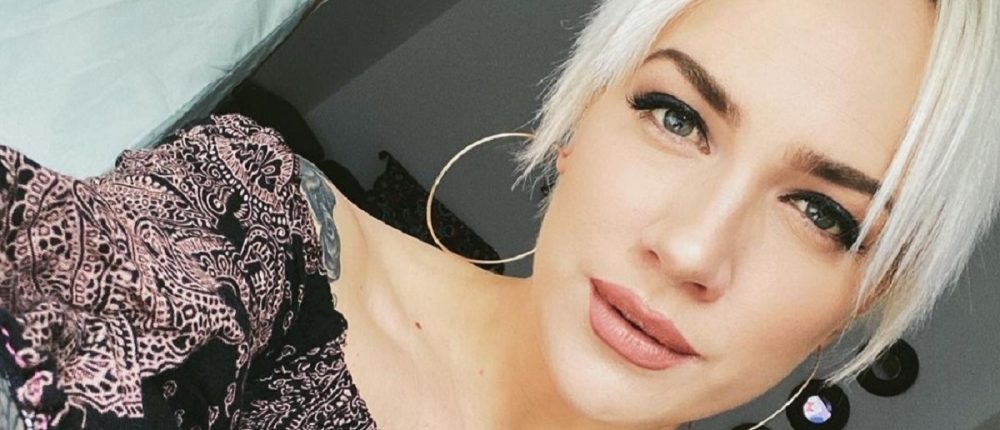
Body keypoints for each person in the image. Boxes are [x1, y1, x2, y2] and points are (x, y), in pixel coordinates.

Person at [0, 0, 997, 429]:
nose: (693, 246)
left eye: (820, 212)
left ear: (866, 301)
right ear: (578, 123)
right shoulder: (243, 231)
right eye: (676, 115)